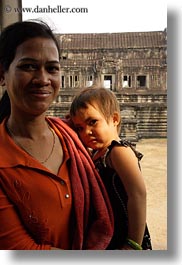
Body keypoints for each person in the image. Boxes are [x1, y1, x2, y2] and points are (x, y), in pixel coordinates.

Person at [0, 21, 114, 250]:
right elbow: (21, 250)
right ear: (2, 75)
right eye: (29, 66)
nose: (43, 79)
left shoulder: (74, 133)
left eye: (52, 68)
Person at [69, 87, 152, 250]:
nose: (86, 132)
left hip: (126, 236)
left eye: (92, 122)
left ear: (114, 119)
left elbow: (138, 195)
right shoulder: (99, 153)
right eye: (79, 128)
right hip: (111, 234)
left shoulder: (119, 151)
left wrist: (133, 243)